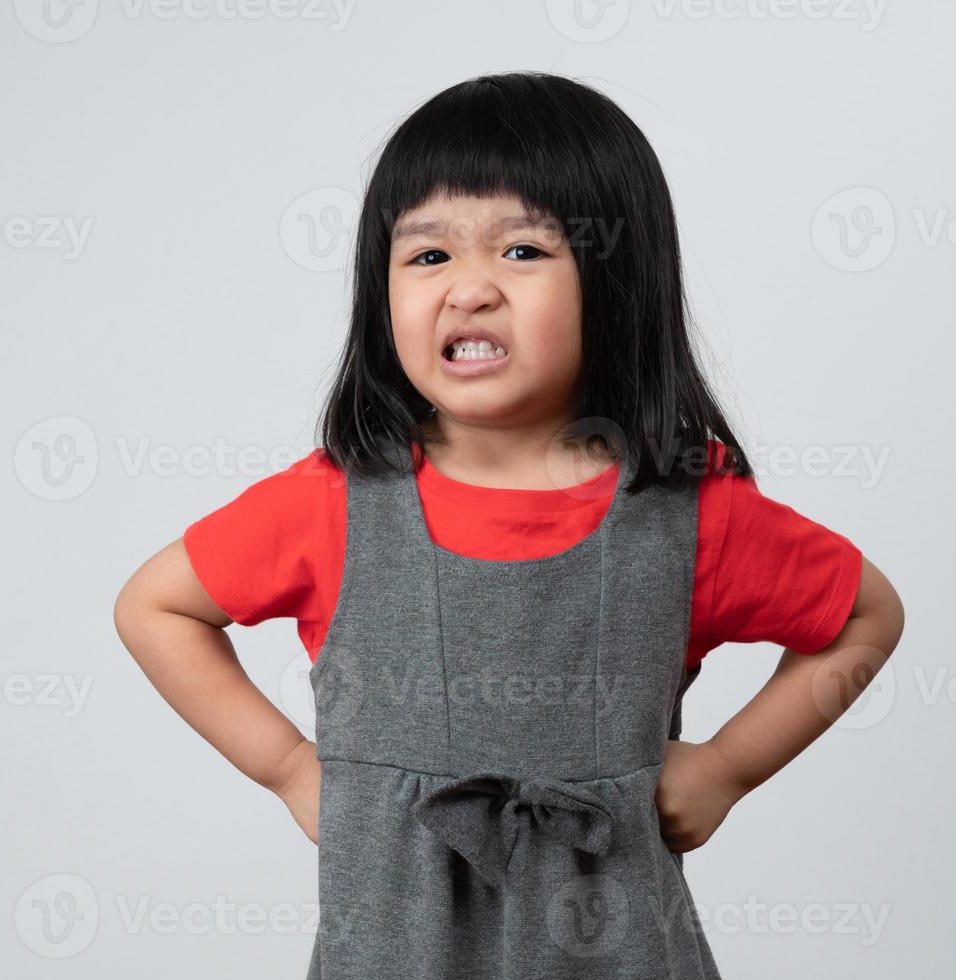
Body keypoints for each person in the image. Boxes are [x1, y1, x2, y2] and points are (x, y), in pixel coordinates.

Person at [114, 71, 905, 979]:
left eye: (523, 252)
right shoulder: (336, 502)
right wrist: (291, 767)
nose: (470, 289)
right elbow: (155, 607)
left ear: (615, 278)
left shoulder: (684, 510)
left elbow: (863, 617)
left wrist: (727, 767)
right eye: (427, 257)